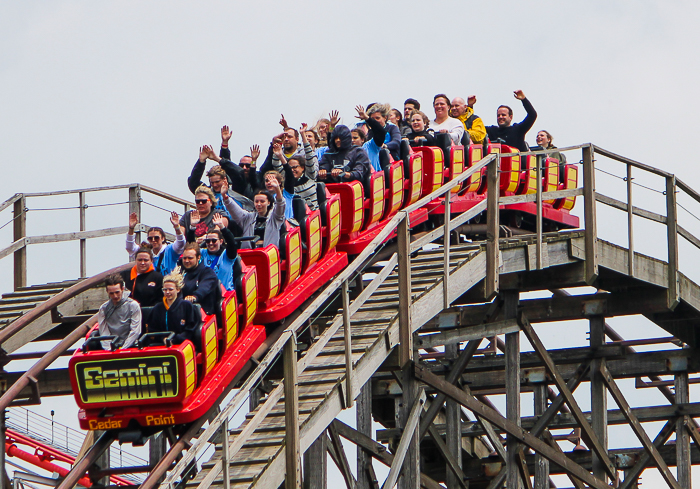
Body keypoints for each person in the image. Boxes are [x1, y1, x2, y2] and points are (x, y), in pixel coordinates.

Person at [222, 174, 286, 249]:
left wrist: (277, 189)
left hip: (269, 254)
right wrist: (224, 196)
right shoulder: (248, 217)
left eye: (262, 201)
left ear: (268, 202)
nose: (259, 204)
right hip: (250, 254)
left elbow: (280, 205)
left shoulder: (275, 217)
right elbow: (235, 210)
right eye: (256, 201)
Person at [272, 123, 319, 211]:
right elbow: (277, 166)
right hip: (294, 217)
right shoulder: (288, 182)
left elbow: (309, 155)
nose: (292, 170)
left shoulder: (310, 176)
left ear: (302, 168)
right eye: (290, 168)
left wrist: (303, 135)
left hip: (313, 216)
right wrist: (277, 151)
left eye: (295, 167)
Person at [145, 271, 199, 346]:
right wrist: (163, 339)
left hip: (183, 344)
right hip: (161, 345)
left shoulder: (187, 306)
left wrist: (175, 340)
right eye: (165, 290)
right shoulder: (157, 308)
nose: (167, 292)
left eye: (170, 289)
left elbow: (190, 329)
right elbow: (152, 330)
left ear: (178, 290)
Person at [126, 211, 185, 276]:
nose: (153, 240)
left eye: (156, 238)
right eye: (150, 238)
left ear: (163, 238)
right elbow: (130, 248)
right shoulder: (145, 251)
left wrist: (177, 227)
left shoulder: (170, 250)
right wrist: (131, 229)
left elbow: (181, 243)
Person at [92, 274, 141, 350]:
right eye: (111, 293)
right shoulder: (103, 308)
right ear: (107, 291)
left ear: (122, 289)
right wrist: (109, 349)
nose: (115, 296)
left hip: (131, 346)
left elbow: (135, 331)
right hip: (112, 346)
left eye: (117, 292)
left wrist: (123, 349)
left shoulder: (133, 305)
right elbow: (103, 331)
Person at [179, 242, 221, 316]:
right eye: (184, 258)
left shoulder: (208, 273)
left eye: (190, 258)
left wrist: (195, 296)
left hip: (202, 314)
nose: (187, 261)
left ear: (198, 257)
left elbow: (204, 288)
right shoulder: (179, 273)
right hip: (182, 311)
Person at [200, 214, 239, 291]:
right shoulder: (202, 252)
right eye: (208, 241)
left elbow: (232, 243)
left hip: (225, 295)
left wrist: (222, 227)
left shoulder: (227, 255)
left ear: (221, 241)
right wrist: (192, 229)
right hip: (205, 293)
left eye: (214, 241)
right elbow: (190, 248)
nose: (211, 243)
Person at [354, 105, 391, 172]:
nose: (352, 140)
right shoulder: (348, 151)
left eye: (355, 138)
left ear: (362, 139)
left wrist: (367, 119)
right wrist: (331, 128)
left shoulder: (370, 146)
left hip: (374, 179)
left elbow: (380, 132)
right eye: (350, 138)